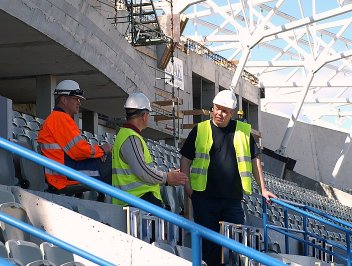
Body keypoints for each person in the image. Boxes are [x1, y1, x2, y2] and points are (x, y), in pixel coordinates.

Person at [180, 89, 276, 266]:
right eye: (217, 108)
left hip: (232, 200)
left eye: (224, 111)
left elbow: (255, 160)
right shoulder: (200, 130)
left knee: (234, 247)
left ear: (231, 113)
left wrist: (263, 189)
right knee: (209, 247)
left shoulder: (243, 132)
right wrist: (187, 188)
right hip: (203, 198)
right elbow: (185, 159)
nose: (219, 113)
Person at [37, 80, 112, 199]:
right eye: (76, 99)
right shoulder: (60, 119)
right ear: (64, 99)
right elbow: (79, 151)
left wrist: (100, 153)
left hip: (64, 170)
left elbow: (78, 149)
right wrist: (102, 150)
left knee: (111, 164)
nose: (79, 103)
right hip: (63, 174)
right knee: (114, 168)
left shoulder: (58, 118)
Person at [112, 92, 188, 207]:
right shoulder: (130, 137)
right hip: (138, 201)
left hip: (136, 200)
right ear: (144, 116)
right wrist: (167, 177)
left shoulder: (129, 136)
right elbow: (143, 171)